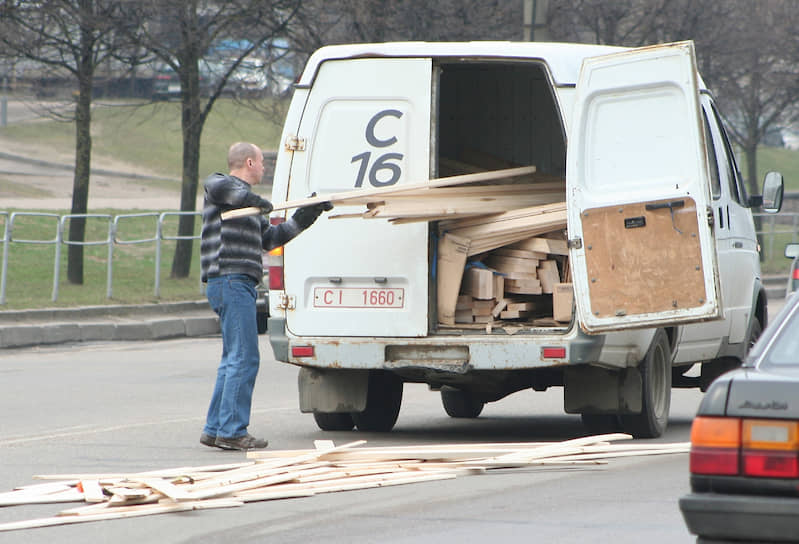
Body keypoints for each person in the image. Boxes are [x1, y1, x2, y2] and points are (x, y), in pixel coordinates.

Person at [199, 141, 332, 450]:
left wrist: (307, 214)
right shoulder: (220, 184)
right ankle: (232, 431)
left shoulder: (250, 207)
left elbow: (273, 239)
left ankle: (215, 428)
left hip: (237, 283)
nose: (264, 167)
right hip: (229, 280)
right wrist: (262, 203)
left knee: (232, 359)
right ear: (248, 162)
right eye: (261, 162)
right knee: (245, 357)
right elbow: (235, 194)